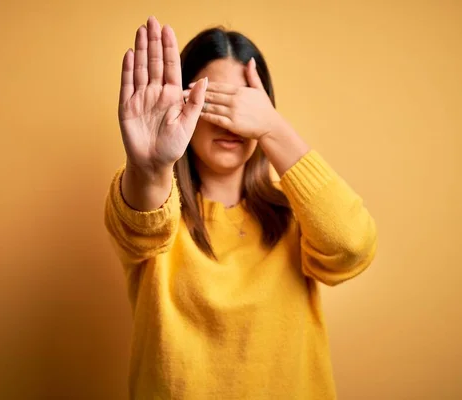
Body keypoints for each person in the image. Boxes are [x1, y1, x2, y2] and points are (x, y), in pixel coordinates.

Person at [104, 15, 377, 400]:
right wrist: (149, 167)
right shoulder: (154, 197)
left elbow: (352, 246)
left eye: (243, 104)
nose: (230, 121)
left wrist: (273, 129)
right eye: (211, 100)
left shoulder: (297, 211)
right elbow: (142, 224)